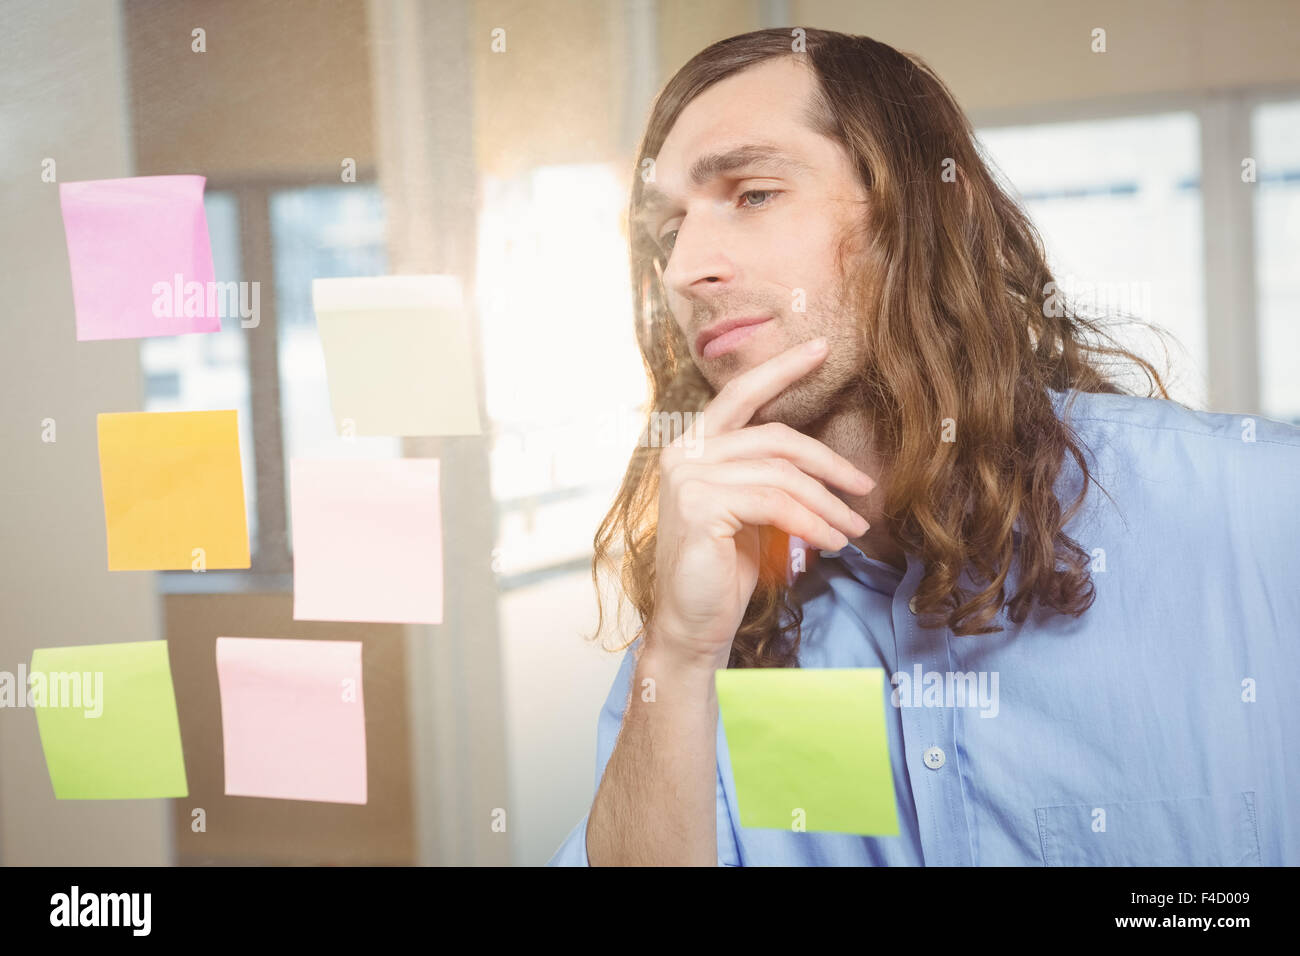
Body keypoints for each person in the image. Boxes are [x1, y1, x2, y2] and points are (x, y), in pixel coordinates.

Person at [548, 27, 1300, 866]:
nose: (685, 267)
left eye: (753, 193)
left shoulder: (1259, 508)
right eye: (667, 233)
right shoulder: (716, 604)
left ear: (919, 211)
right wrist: (683, 656)